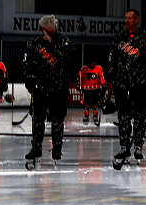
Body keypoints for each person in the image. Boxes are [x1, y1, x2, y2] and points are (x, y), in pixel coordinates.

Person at [108, 8, 146, 168]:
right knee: (123, 116)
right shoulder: (119, 38)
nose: (126, 20)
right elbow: (111, 59)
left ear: (137, 20)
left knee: (139, 116)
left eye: (130, 18)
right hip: (122, 83)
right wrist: (111, 79)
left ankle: (138, 146)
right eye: (125, 18)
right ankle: (124, 147)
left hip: (141, 83)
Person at [23, 15, 72, 163]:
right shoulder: (35, 44)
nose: (51, 30)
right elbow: (27, 64)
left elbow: (65, 60)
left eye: (52, 28)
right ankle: (36, 147)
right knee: (37, 120)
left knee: (57, 120)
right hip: (40, 88)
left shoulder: (63, 41)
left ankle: (57, 148)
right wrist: (30, 82)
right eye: (47, 29)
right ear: (42, 29)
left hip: (59, 88)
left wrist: (51, 43)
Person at [79, 60, 106, 126]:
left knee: (95, 104)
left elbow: (101, 77)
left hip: (95, 89)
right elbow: (81, 78)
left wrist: (103, 84)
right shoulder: (84, 69)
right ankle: (86, 116)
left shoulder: (99, 68)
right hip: (86, 89)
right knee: (86, 104)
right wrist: (80, 87)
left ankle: (95, 116)